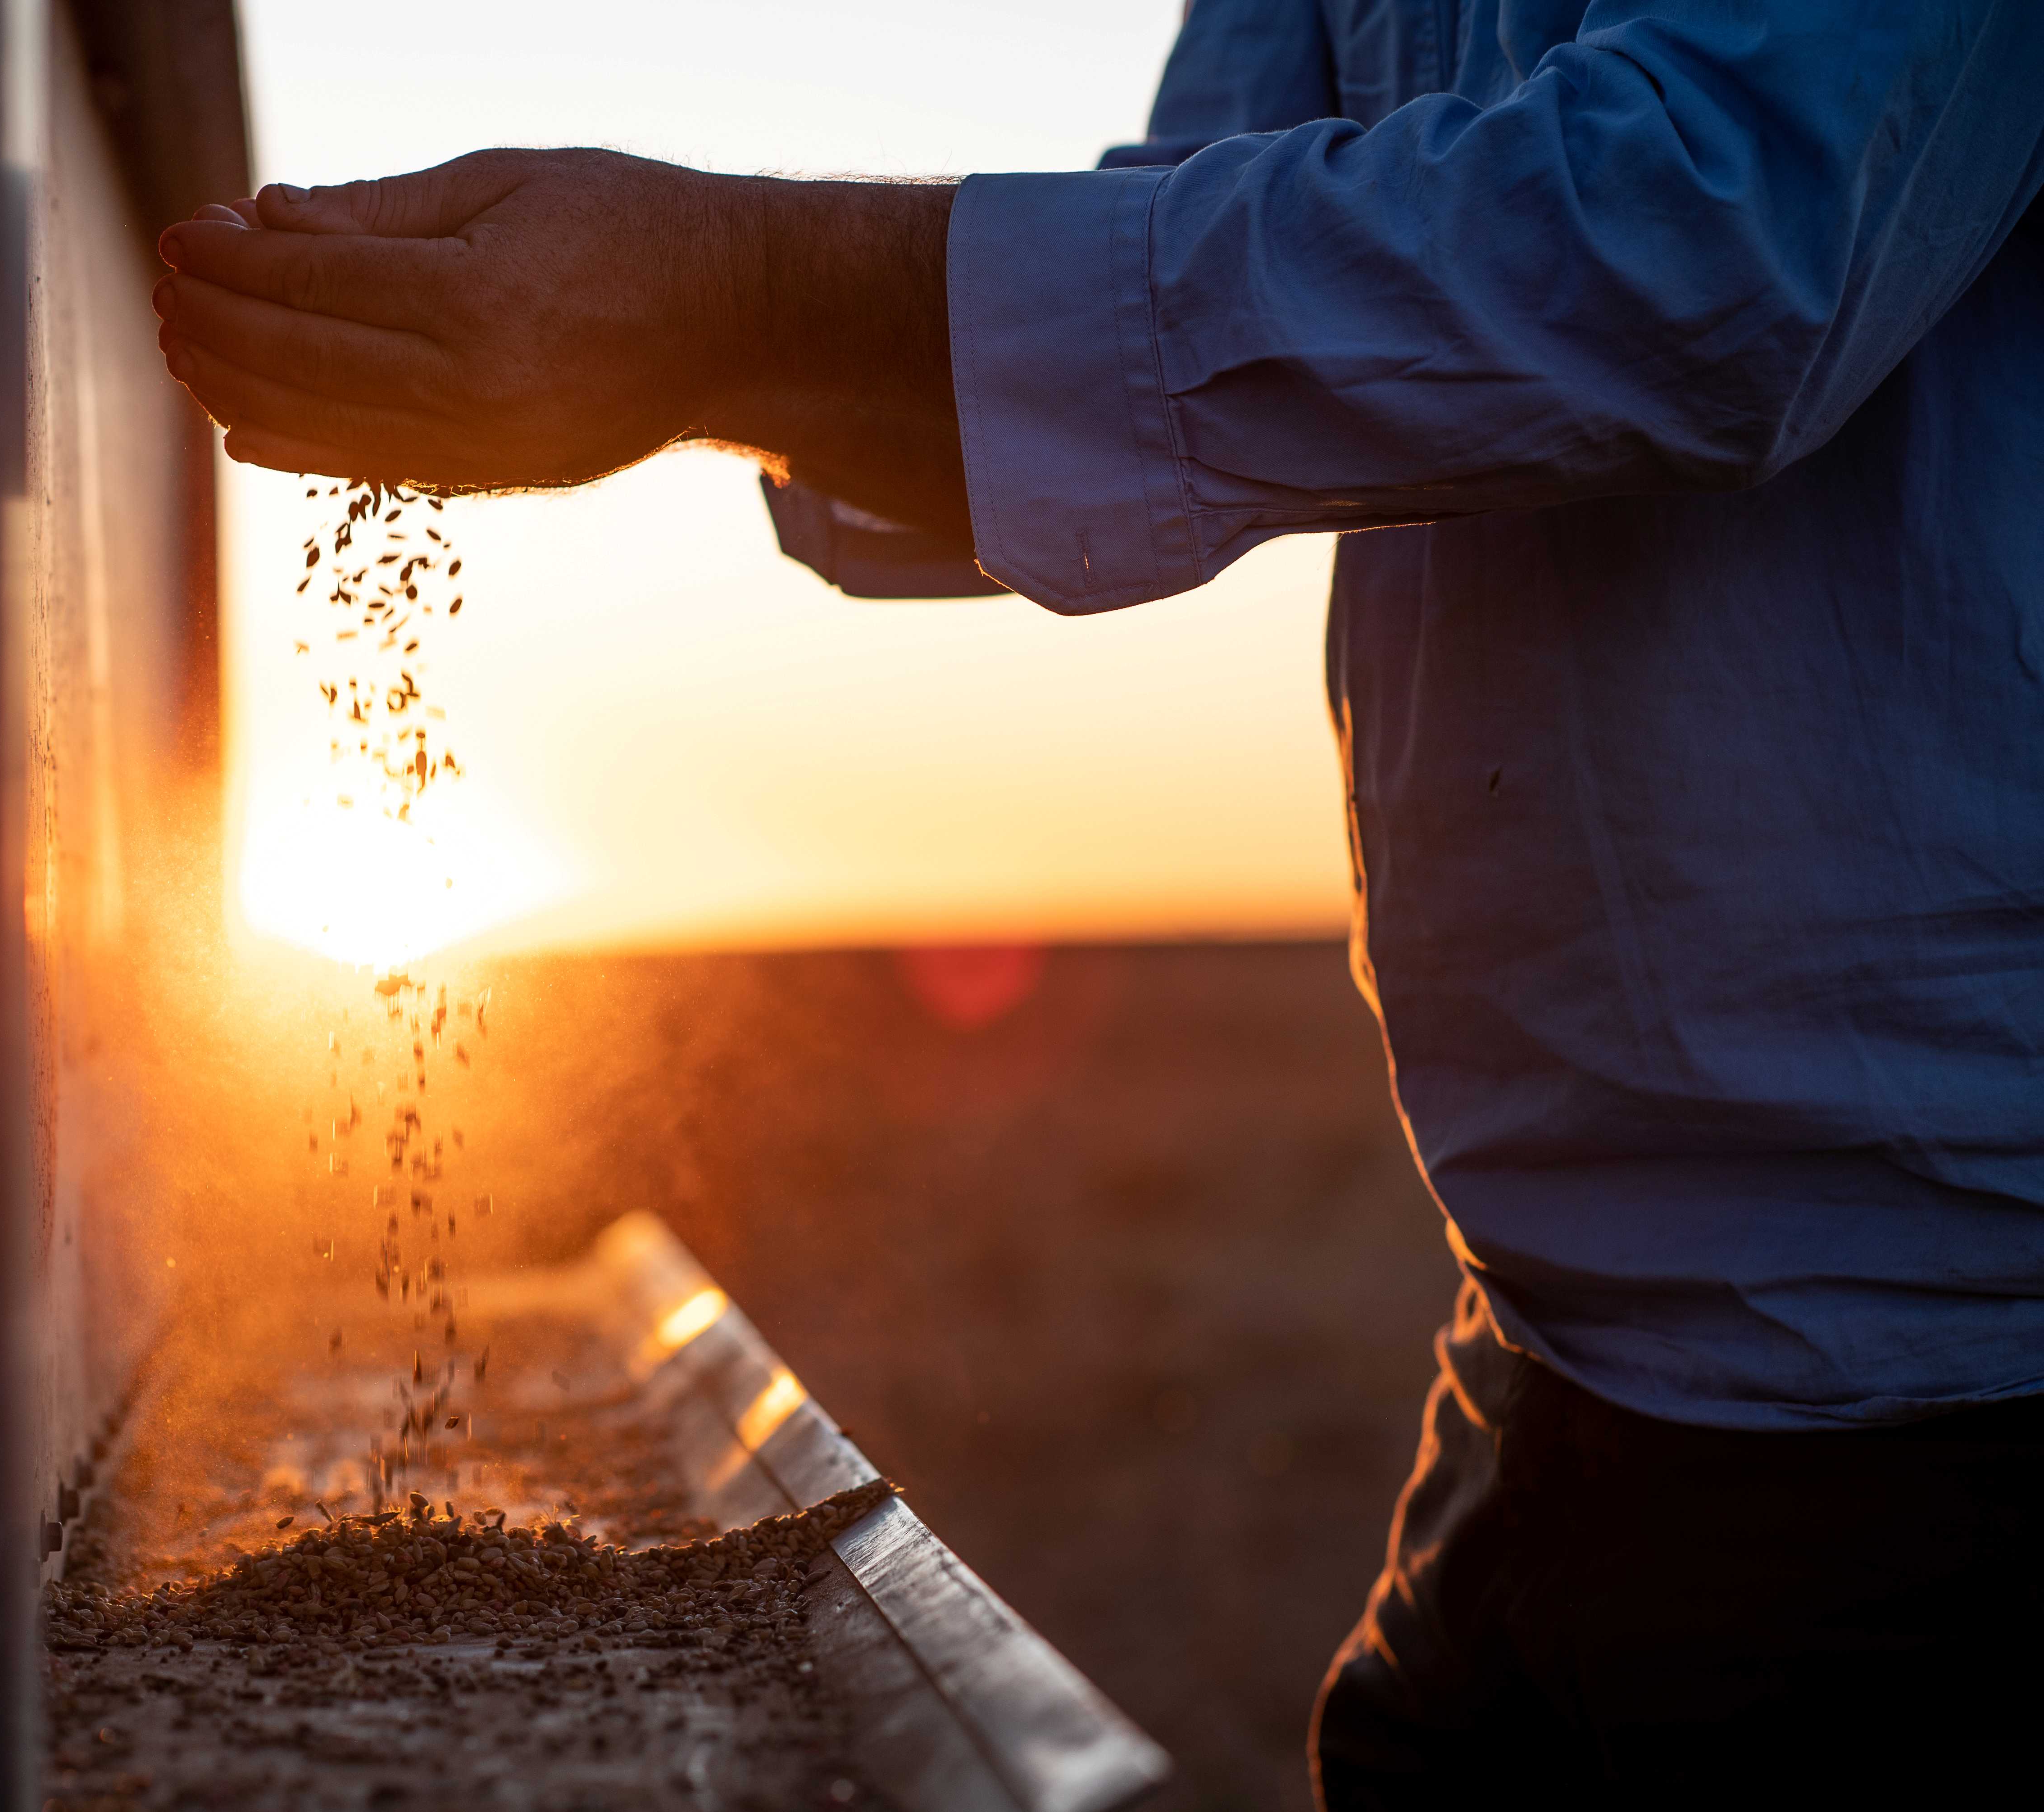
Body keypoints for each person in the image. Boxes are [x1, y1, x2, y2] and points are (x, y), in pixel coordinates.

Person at [150, 2, 2044, 1801]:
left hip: (1952, 1406)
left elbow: (1720, 229)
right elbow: (1181, 296)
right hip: (1536, 1372)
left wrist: (732, 299)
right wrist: (694, 361)